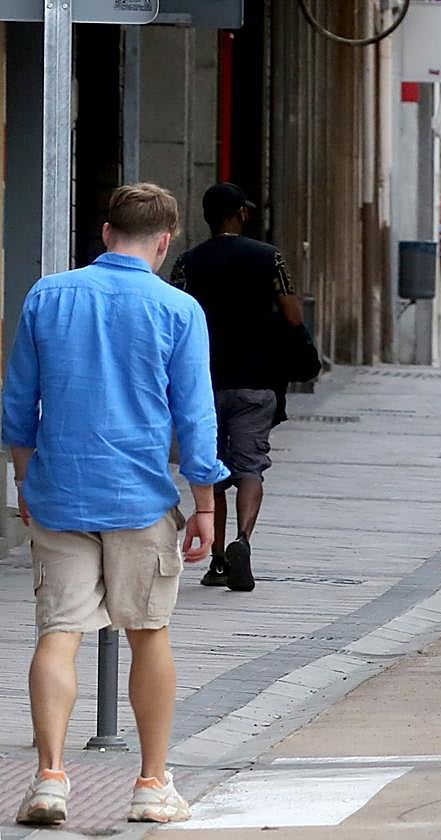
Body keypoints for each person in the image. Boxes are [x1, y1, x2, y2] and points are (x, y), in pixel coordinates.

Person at [4, 183, 228, 825]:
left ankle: (49, 779)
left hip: (58, 495)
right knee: (150, 635)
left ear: (104, 233)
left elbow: (18, 405)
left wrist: (25, 484)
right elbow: (196, 417)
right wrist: (206, 505)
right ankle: (152, 784)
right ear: (164, 243)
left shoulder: (48, 296)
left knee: (58, 634)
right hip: (139, 499)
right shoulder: (179, 310)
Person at [170, 182, 304, 592]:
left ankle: (218, 560)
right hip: (257, 380)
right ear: (242, 214)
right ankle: (242, 539)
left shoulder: (188, 262)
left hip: (204, 381)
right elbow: (293, 313)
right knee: (249, 467)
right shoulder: (269, 258)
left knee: (212, 468)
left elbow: (174, 316)